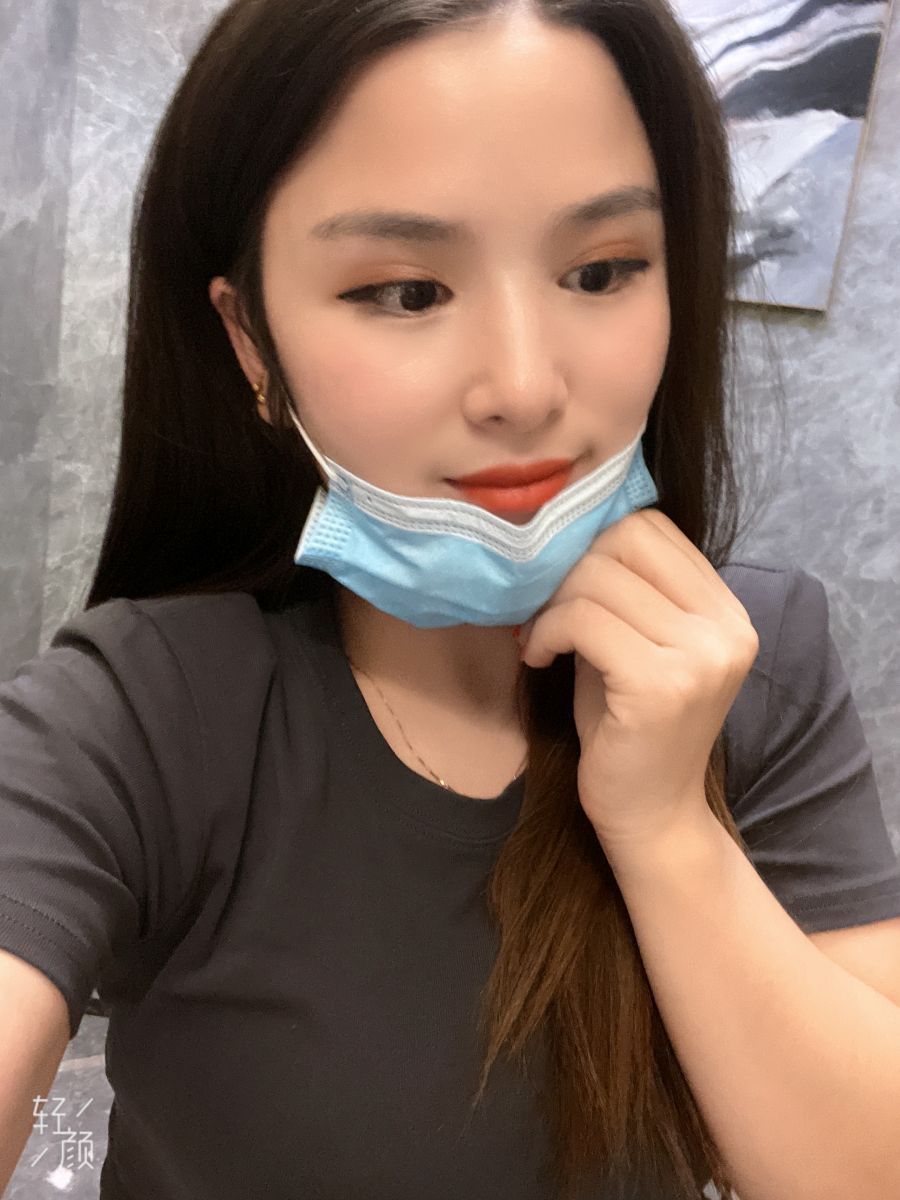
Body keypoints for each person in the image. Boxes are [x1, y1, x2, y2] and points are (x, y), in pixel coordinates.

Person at [2, 1, 900, 1198]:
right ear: (252, 345)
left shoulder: (750, 660)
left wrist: (668, 828)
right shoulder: (148, 706)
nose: (524, 386)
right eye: (406, 291)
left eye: (601, 271)